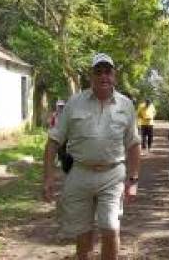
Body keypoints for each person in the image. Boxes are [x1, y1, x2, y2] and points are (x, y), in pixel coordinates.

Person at [43, 53, 141, 260]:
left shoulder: (126, 105)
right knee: (83, 232)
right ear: (91, 76)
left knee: (110, 227)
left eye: (108, 72)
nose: (103, 76)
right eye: (98, 72)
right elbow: (53, 141)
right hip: (80, 173)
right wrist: (49, 178)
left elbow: (133, 144)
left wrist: (133, 180)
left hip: (112, 175)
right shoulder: (74, 103)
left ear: (114, 76)